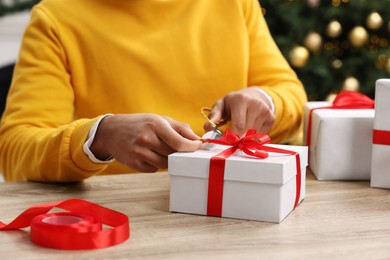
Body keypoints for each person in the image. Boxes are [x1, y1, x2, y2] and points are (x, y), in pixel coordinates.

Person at [0, 0, 307, 182]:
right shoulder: (57, 18)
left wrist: (266, 101)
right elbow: (15, 151)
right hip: (118, 227)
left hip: (234, 208)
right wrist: (98, 136)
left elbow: (292, 98)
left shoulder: (234, 4)